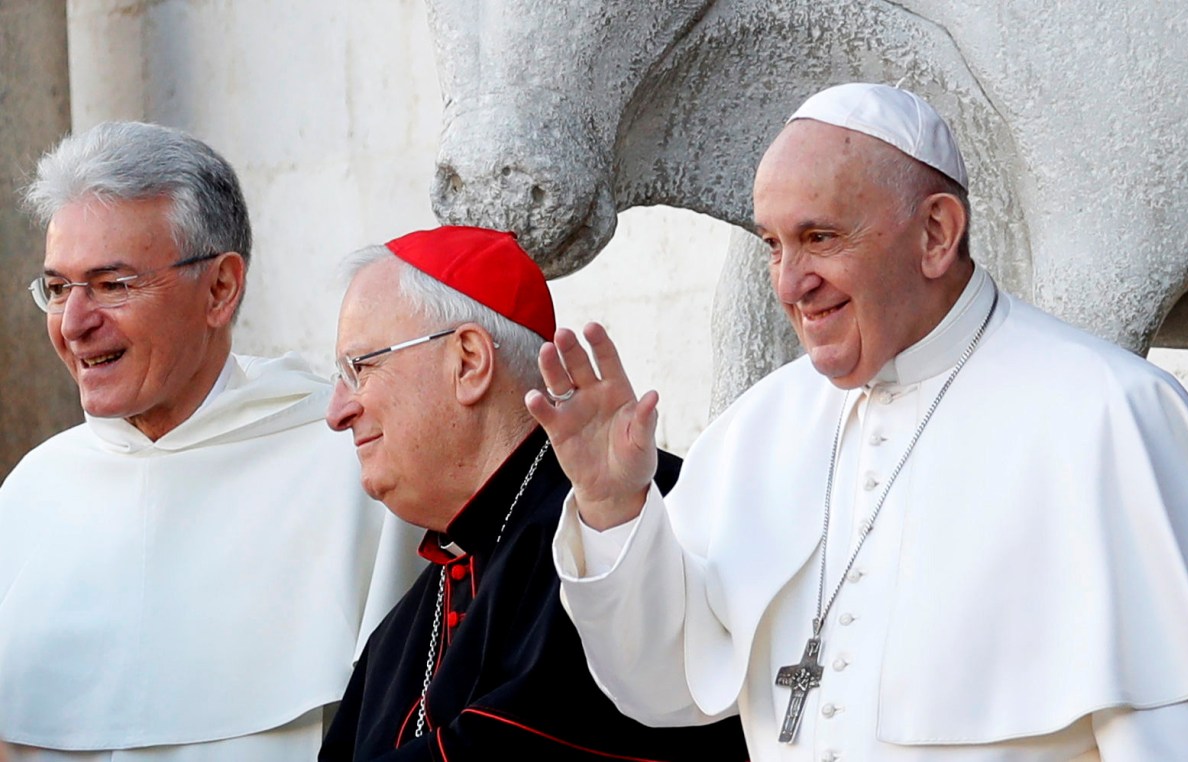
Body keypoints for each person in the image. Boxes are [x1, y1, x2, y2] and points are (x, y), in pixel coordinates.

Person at [526, 83, 1188, 761]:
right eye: (773, 244)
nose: (790, 283)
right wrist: (613, 508)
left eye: (819, 238)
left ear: (935, 233)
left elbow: (1172, 735)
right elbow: (664, 686)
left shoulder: (1112, 416)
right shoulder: (755, 431)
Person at [0, 122, 419, 761]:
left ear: (220, 289)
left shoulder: (350, 465)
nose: (75, 323)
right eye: (58, 289)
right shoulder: (33, 491)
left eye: (112, 285)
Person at [319, 225, 748, 761]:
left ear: (469, 362)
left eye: (359, 369)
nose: (337, 412)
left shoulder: (635, 521)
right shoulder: (396, 637)